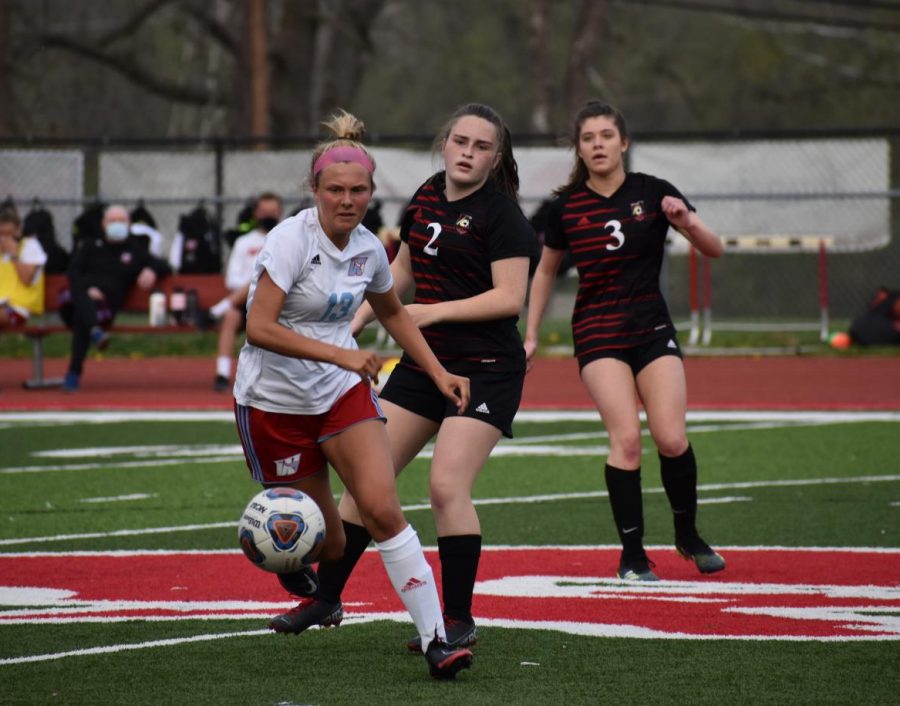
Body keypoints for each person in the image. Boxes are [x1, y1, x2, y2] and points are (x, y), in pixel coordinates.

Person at [280, 103, 538, 652]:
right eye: (460, 141)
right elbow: (398, 274)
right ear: (445, 144)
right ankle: (326, 598)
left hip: (486, 370)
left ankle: (459, 617)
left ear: (496, 159)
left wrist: (431, 312)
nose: (468, 152)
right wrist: (350, 322)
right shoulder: (424, 196)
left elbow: (510, 298)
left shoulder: (504, 217)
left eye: (482, 146)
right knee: (365, 484)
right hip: (424, 364)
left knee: (446, 486)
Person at [232, 110, 474, 679]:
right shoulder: (290, 240)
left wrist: (438, 372)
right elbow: (259, 328)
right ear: (314, 190)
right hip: (273, 402)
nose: (347, 200)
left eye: (358, 190)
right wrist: (343, 352)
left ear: (371, 191)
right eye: (335, 190)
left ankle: (437, 640)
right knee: (331, 543)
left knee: (384, 509)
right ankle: (298, 569)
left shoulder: (368, 246)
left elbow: (392, 310)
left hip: (341, 393)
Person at [524, 100, 726, 581]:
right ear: (579, 147)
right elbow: (545, 271)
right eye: (588, 137)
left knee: (672, 438)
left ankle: (687, 535)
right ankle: (633, 555)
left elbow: (714, 248)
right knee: (628, 440)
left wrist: (686, 220)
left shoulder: (654, 192)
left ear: (623, 143)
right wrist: (530, 334)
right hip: (597, 332)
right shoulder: (565, 207)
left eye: (606, 136)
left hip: (652, 327)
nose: (598, 144)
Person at [61, 204, 171, 391]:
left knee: (83, 317)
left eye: (121, 221)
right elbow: (73, 272)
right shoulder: (90, 246)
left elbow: (163, 265)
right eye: (112, 221)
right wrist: (89, 290)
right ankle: (94, 331)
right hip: (73, 303)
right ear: (104, 224)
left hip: (104, 310)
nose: (117, 224)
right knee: (81, 297)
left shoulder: (134, 251)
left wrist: (152, 269)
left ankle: (75, 369)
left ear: (129, 224)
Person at [210, 192, 283, 391]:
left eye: (273, 211)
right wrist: (255, 281)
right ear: (256, 214)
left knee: (266, 278)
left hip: (281, 303)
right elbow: (231, 279)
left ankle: (215, 311)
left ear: (280, 212)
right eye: (264, 211)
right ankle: (222, 375)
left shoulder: (286, 238)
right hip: (247, 302)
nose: (269, 215)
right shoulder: (244, 242)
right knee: (231, 315)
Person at [0, 208, 48, 329]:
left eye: (9, 233)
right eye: (1, 234)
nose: (5, 238)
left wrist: (13, 254)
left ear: (19, 231)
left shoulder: (30, 246)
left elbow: (27, 279)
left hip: (18, 307)